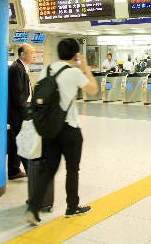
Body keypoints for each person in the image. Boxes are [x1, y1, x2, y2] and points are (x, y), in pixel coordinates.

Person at [26, 38, 98, 225]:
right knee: (72, 169)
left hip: (49, 128)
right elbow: (93, 89)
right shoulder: (74, 72)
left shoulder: (46, 70)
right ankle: (72, 207)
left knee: (49, 170)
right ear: (76, 54)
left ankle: (33, 208)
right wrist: (85, 67)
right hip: (69, 129)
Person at [8, 43, 35, 180]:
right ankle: (31, 171)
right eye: (31, 52)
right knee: (22, 140)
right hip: (18, 112)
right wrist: (26, 110)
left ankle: (14, 170)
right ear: (22, 54)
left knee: (15, 141)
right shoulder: (16, 69)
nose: (33, 55)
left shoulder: (22, 68)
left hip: (22, 109)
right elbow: (17, 94)